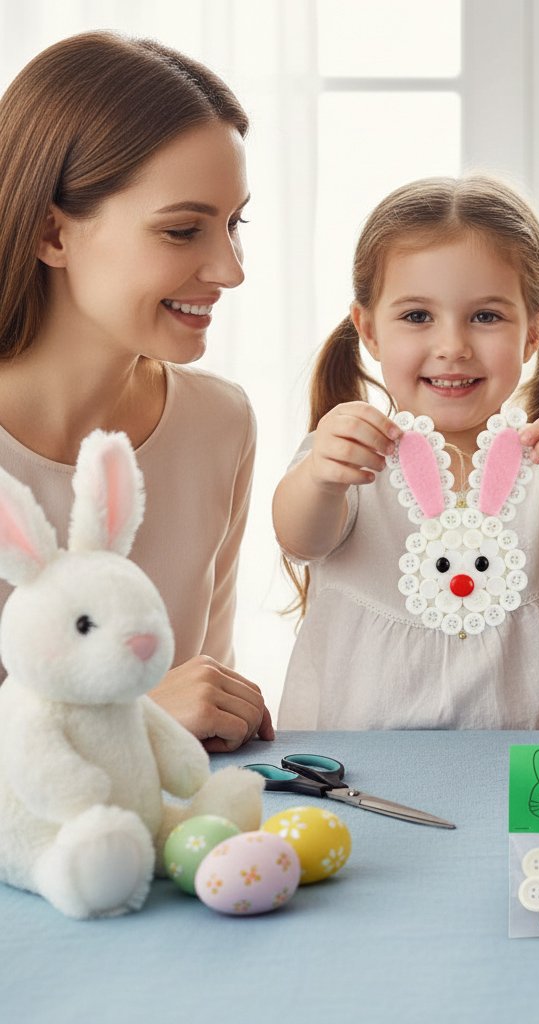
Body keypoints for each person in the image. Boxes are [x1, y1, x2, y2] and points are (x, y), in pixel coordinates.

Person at [273, 175, 539, 729]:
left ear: (533, 332)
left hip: (523, 776)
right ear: (368, 330)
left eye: (486, 316)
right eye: (417, 316)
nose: (452, 346)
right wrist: (321, 479)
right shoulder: (352, 457)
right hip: (361, 770)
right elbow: (299, 537)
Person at [0, 32, 273, 751]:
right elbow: (164, 709)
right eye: (183, 230)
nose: (230, 269)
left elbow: (206, 711)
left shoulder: (219, 425)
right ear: (50, 233)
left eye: (234, 223)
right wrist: (128, 713)